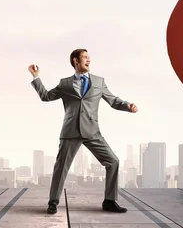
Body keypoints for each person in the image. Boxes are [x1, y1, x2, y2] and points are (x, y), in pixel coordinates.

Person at [28, 48, 138, 214]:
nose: (89, 60)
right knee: (61, 168)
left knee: (113, 161)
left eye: (89, 58)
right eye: (85, 57)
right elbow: (46, 96)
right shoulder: (65, 83)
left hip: (92, 131)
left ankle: (109, 201)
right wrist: (36, 77)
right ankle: (53, 202)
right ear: (75, 61)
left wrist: (128, 106)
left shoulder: (99, 82)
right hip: (70, 131)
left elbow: (113, 100)